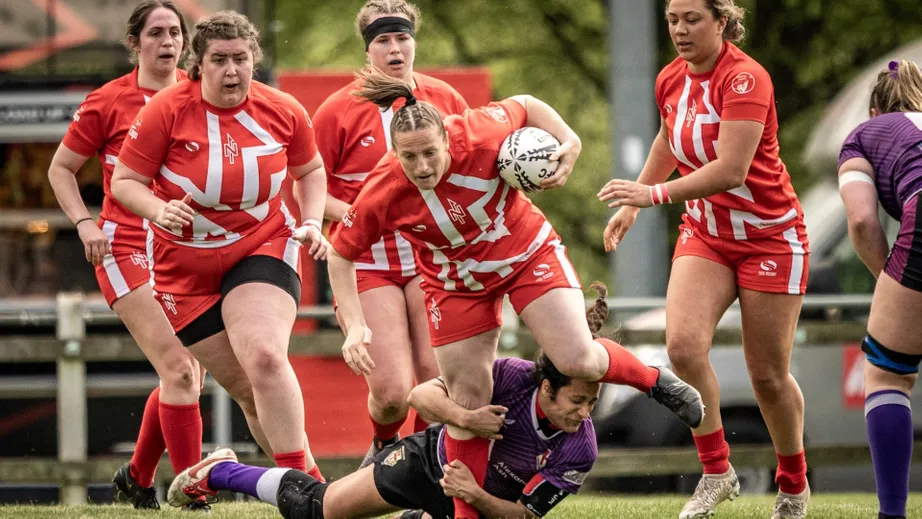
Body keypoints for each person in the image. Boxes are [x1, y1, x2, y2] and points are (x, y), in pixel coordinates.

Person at [325, 68, 703, 519]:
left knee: (577, 360)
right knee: (469, 401)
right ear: (394, 154)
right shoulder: (382, 190)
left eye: (430, 153)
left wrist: (570, 140)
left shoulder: (479, 131)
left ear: (448, 138)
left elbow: (527, 102)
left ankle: (653, 379)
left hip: (525, 254)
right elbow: (340, 255)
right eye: (410, 158)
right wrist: (356, 327)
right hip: (455, 284)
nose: (422, 166)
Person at [597, 1, 810, 518]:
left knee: (767, 377)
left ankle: (793, 484)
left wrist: (653, 197)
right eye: (673, 20)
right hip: (707, 233)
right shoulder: (670, 77)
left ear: (722, 21)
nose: (680, 30)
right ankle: (717, 473)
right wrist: (634, 201)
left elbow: (732, 169)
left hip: (769, 237)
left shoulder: (745, 78)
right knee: (683, 349)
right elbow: (671, 139)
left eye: (692, 19)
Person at [168, 284, 620, 518]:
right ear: (546, 388)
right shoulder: (513, 377)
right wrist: (467, 418)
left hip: (474, 502)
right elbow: (419, 396)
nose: (583, 415)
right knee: (315, 509)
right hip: (425, 464)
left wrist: (475, 494)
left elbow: (524, 515)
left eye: (592, 404)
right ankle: (220, 472)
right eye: (576, 401)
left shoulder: (581, 448)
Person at [110, 10, 329, 480]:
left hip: (260, 245)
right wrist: (156, 209)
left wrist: (311, 220)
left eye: (242, 59)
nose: (232, 71)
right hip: (182, 270)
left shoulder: (283, 108)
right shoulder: (166, 110)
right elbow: (125, 181)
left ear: (254, 59)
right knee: (249, 390)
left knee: (266, 358)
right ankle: (307, 484)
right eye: (220, 61)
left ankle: (313, 493)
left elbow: (309, 170)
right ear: (198, 64)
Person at [46, 1, 210, 509]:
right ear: (134, 43)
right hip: (124, 244)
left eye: (176, 33)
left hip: (181, 247)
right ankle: (193, 494)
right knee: (181, 369)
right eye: (156, 32)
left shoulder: (199, 94)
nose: (168, 41)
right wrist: (84, 222)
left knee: (187, 374)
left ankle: (138, 478)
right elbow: (60, 169)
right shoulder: (109, 100)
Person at [313, 0, 469, 465]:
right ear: (368, 49)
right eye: (383, 40)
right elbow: (303, 188)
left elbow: (472, 168)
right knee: (392, 394)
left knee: (436, 379)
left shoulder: (446, 101)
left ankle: (420, 467)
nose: (395, 49)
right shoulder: (338, 110)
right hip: (367, 261)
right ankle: (383, 449)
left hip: (431, 256)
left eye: (402, 38)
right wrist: (363, 214)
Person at [838, 59, 922, 519]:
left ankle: (892, 514)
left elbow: (863, 220)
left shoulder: (864, 136)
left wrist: (889, 280)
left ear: (874, 108)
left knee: (888, 374)